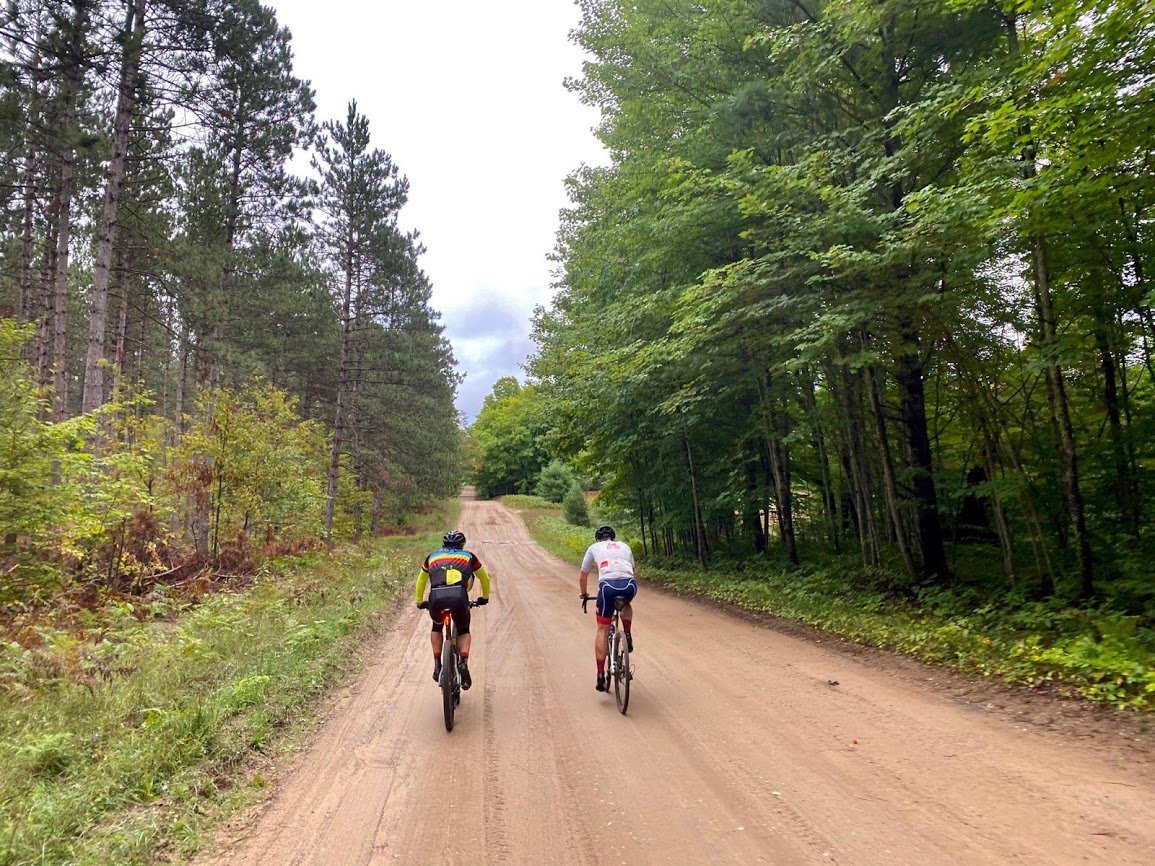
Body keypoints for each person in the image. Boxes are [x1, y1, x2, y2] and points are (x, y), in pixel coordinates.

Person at [416, 530, 490, 689]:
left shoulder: (432, 557)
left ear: (443, 545)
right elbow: (484, 578)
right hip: (459, 598)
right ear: (462, 544)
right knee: (463, 630)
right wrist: (484, 598)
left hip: (436, 599)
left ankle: (437, 665)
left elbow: (421, 580)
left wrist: (419, 601)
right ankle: (463, 662)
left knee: (437, 626)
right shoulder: (468, 556)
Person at [578, 524, 637, 693]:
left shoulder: (593, 547)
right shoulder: (624, 546)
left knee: (602, 628)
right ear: (613, 538)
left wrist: (584, 594)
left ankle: (600, 675)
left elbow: (583, 577)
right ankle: (627, 633)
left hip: (608, 588)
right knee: (626, 604)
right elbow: (633, 571)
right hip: (629, 585)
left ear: (598, 539)